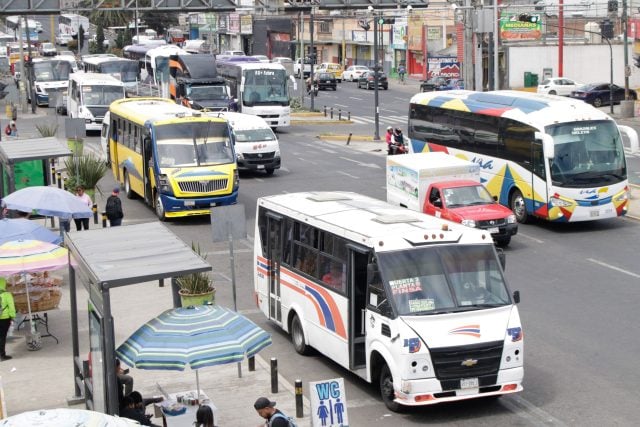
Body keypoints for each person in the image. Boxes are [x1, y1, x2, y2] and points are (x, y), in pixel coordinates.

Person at [0, 277, 16, 361]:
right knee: (2, 336)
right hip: (5, 318)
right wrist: (12, 317)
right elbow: (11, 307)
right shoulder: (7, 294)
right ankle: (2, 355)